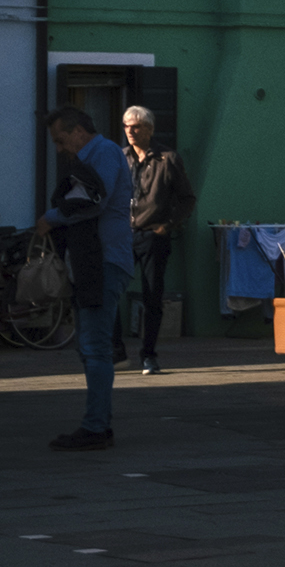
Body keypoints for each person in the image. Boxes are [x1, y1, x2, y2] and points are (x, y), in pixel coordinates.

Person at [36, 108, 134, 452]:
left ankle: (96, 427)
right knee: (92, 346)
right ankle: (97, 424)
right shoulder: (97, 155)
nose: (60, 149)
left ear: (79, 131)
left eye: (61, 140)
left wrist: (51, 217)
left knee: (94, 346)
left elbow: (94, 201)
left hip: (103, 261)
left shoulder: (104, 152)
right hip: (97, 262)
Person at [122, 103, 195, 375]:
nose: (130, 131)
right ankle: (115, 351)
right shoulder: (121, 158)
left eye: (136, 126)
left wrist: (167, 225)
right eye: (126, 126)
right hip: (123, 235)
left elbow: (187, 199)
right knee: (108, 289)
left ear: (149, 129)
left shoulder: (167, 159)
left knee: (152, 296)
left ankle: (148, 355)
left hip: (153, 235)